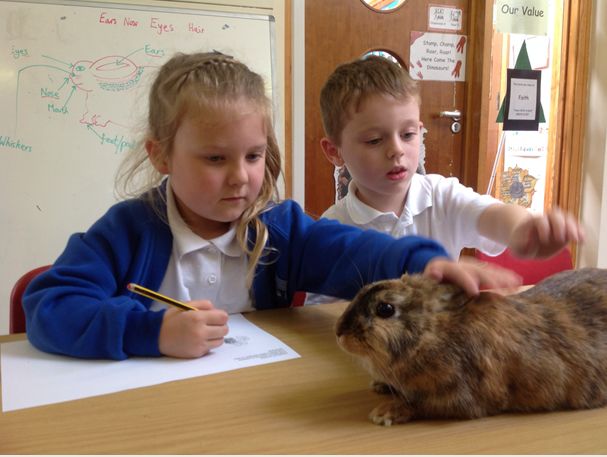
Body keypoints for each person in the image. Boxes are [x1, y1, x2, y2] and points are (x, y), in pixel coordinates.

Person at [23, 51, 519, 361]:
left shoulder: (278, 229)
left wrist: (423, 263)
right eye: (215, 158)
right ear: (161, 155)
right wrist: (152, 332)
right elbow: (49, 308)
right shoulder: (127, 231)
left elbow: (358, 252)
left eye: (254, 156)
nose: (240, 176)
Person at [318, 55, 584, 262]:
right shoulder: (331, 229)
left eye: (408, 134)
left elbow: (494, 215)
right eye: (375, 140)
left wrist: (525, 229)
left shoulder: (442, 197)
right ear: (335, 151)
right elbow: (320, 317)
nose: (396, 150)